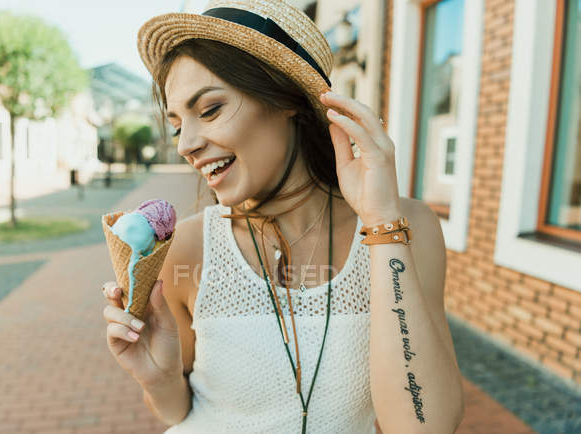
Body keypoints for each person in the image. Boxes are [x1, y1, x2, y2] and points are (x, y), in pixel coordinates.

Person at [102, 1, 465, 433]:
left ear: (285, 99)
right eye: (179, 125)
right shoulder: (187, 246)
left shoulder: (408, 227)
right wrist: (158, 379)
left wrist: (381, 219)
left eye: (211, 110)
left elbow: (425, 427)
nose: (186, 145)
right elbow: (176, 412)